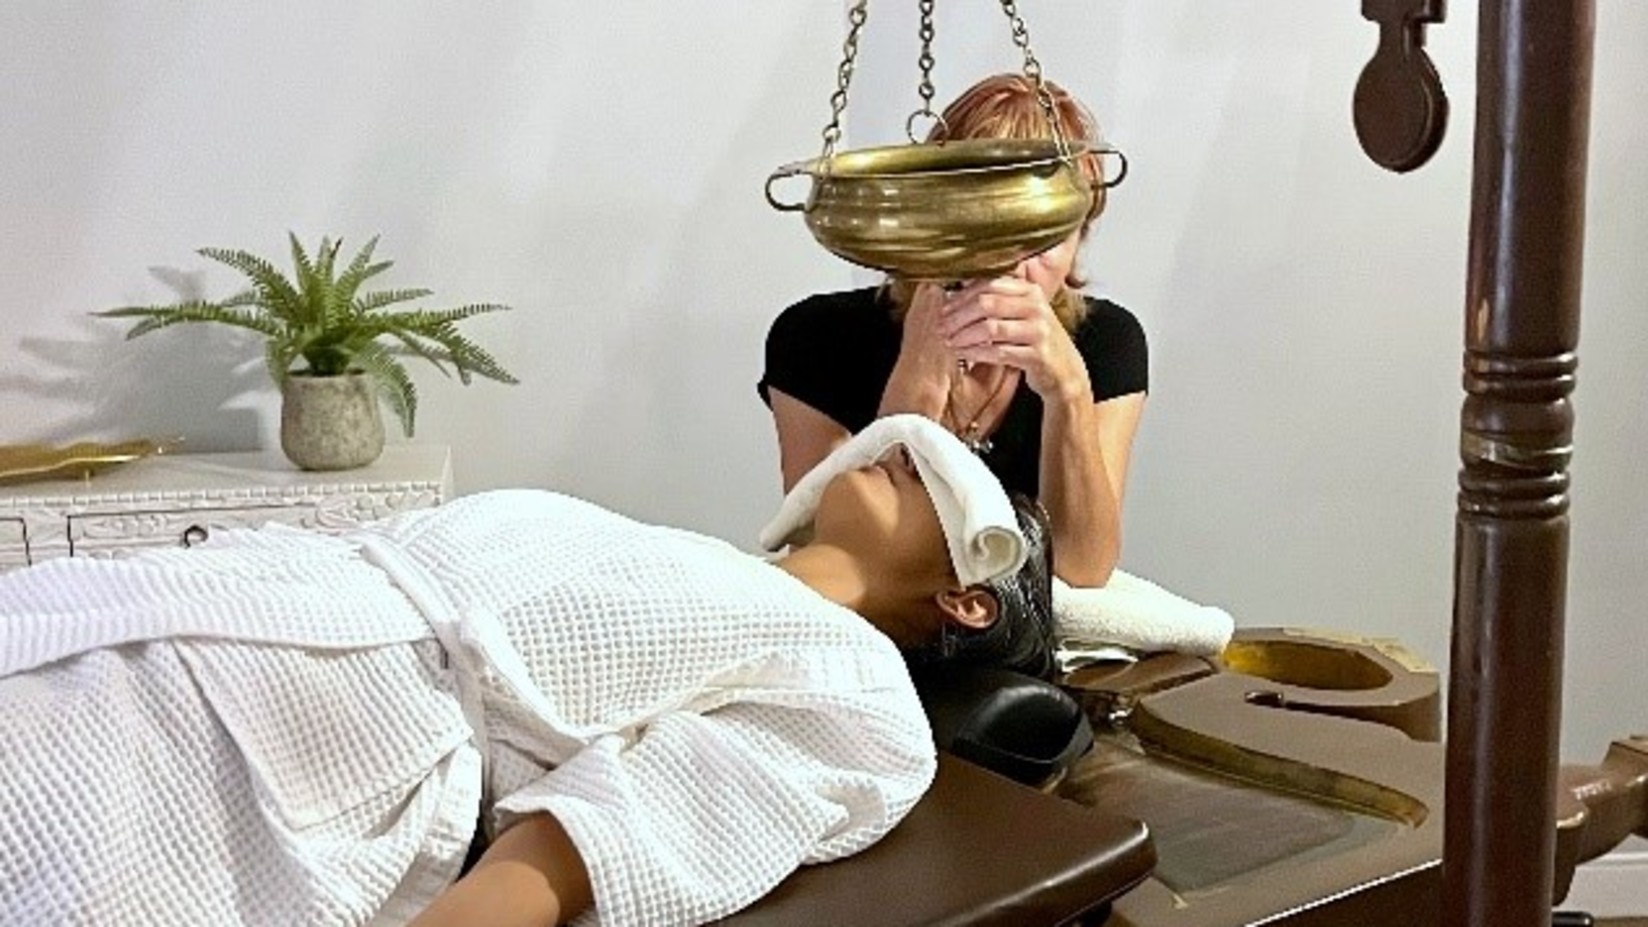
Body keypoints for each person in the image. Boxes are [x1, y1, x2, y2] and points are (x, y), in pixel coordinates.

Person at [0, 425, 1054, 927]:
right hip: (132, 615)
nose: (911, 451)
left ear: (970, 593)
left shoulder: (863, 693)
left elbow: (594, 841)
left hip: (232, 767)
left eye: (948, 480)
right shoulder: (680, 554)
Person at [760, 72, 1148, 588]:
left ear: (1079, 235)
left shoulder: (1107, 342)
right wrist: (916, 387)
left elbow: (1082, 569)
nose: (1010, 265)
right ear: (936, 218)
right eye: (986, 229)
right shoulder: (816, 338)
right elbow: (835, 561)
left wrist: (1068, 393)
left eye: (1042, 237)